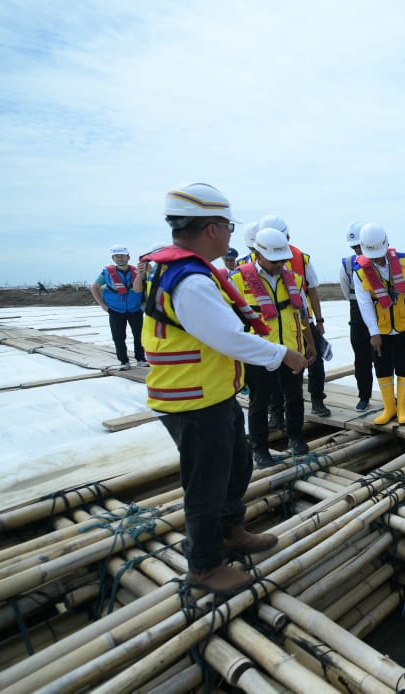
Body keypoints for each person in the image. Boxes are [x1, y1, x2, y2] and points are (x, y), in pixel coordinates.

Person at [142, 182, 306, 594]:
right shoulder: (192, 282)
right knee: (206, 484)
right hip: (191, 400)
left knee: (238, 465)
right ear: (212, 229)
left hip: (212, 393)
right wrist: (282, 354)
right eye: (228, 226)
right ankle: (203, 565)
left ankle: (232, 529)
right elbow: (230, 337)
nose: (232, 234)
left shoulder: (190, 270)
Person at [229, 227, 316, 468]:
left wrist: (310, 343)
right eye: (274, 260)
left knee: (295, 397)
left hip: (292, 349)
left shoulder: (294, 280)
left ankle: (296, 438)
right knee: (259, 401)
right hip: (259, 353)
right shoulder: (237, 280)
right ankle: (260, 448)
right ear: (258, 255)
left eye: (283, 260)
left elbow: (302, 314)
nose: (280, 265)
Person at [259, 215, 332, 419]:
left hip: (302, 319)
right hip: (272, 325)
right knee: (273, 366)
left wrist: (319, 321)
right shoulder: (250, 265)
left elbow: (313, 291)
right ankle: (276, 411)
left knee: (314, 360)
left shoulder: (301, 258)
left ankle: (317, 400)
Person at [353, 223, 405, 425]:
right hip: (380, 329)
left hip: (404, 326)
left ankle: (403, 408)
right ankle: (389, 408)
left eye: (379, 253)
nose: (377, 258)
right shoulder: (360, 271)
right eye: (372, 255)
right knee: (382, 366)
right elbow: (364, 305)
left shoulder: (404, 261)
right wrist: (374, 333)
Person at [91, 244, 145, 369]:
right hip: (116, 309)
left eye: (122, 256)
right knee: (118, 337)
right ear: (113, 258)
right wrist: (102, 305)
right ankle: (124, 361)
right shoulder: (106, 273)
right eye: (117, 257)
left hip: (135, 309)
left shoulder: (137, 271)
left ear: (128, 257)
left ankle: (141, 359)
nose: (120, 258)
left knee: (139, 335)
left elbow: (144, 288)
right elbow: (94, 288)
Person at [339, 222, 375, 411]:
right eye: (354, 247)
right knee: (362, 360)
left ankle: (391, 398)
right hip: (358, 318)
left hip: (381, 317)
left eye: (359, 246)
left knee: (385, 360)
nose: (357, 250)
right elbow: (347, 292)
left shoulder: (379, 262)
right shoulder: (347, 264)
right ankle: (364, 396)